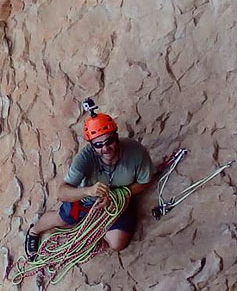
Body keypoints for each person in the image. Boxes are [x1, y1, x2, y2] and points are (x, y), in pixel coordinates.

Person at [23, 111, 156, 258]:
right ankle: (34, 231)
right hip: (87, 202)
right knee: (61, 219)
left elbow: (146, 181)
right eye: (98, 145)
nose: (105, 148)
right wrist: (88, 191)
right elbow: (62, 193)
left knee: (118, 243)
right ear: (92, 146)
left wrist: (122, 194)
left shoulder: (136, 153)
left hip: (118, 201)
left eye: (109, 141)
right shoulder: (84, 159)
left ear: (116, 136)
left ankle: (94, 231)